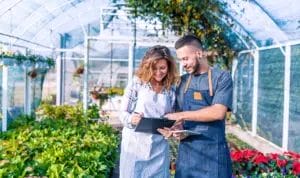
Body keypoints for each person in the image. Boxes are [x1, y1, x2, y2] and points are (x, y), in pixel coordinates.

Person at [159, 34, 233, 178]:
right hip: (187, 156)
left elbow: (218, 112)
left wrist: (181, 115)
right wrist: (176, 128)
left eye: (186, 59)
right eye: (181, 60)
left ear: (199, 53)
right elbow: (178, 116)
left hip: (214, 155)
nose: (184, 64)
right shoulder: (182, 82)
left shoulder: (222, 77)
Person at [119, 45, 178, 178]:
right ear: (147, 66)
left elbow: (173, 115)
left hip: (159, 147)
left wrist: (172, 129)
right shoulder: (137, 83)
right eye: (154, 68)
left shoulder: (171, 88)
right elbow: (122, 113)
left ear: (169, 67)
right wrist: (131, 119)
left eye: (162, 68)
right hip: (135, 146)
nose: (158, 72)